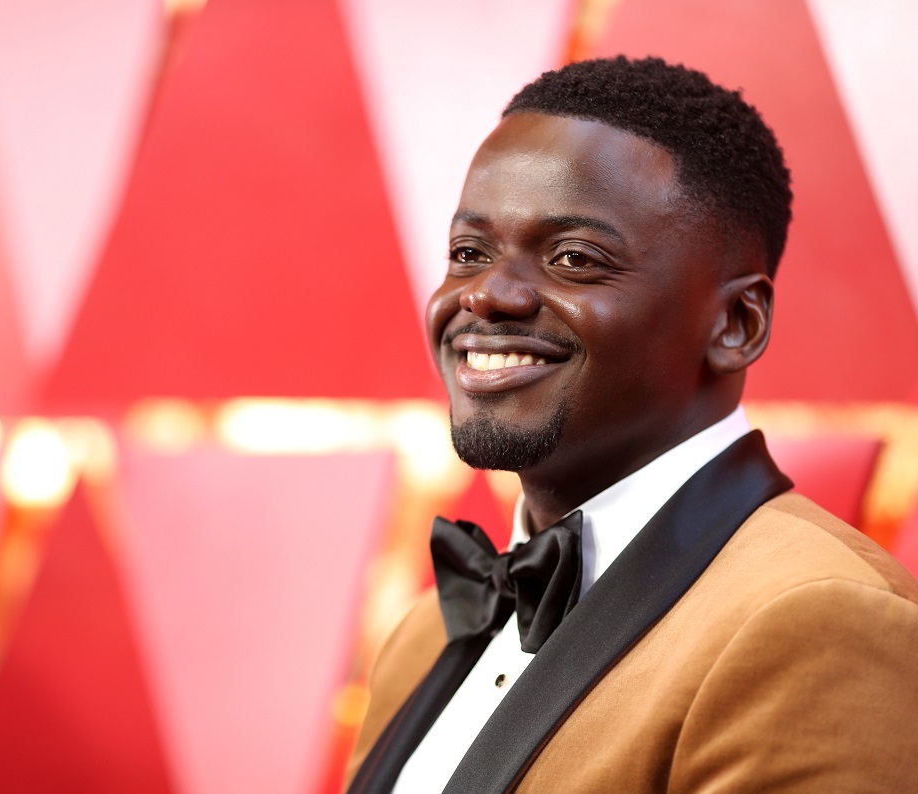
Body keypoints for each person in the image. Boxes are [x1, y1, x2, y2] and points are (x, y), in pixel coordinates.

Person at [345, 56, 918, 793]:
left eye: (574, 258)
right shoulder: (426, 634)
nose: (486, 295)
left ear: (736, 324)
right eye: (468, 253)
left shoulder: (820, 618)